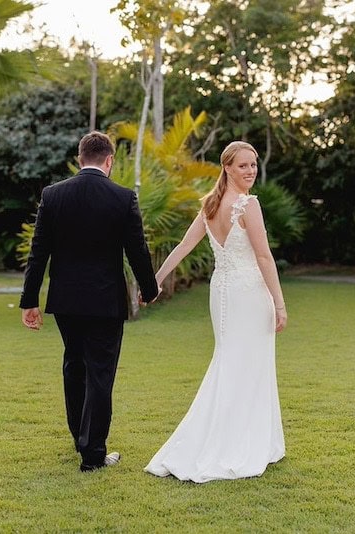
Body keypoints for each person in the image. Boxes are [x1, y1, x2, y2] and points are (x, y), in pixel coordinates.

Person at [144, 140, 287, 483]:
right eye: (243, 166)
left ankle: (236, 438)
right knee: (245, 365)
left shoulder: (210, 204)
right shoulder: (247, 205)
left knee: (231, 362)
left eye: (253, 165)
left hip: (222, 291)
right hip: (249, 293)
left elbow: (183, 246)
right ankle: (238, 445)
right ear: (227, 168)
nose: (250, 171)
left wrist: (156, 280)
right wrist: (280, 303)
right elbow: (264, 257)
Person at [20, 131, 159, 472]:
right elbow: (137, 250)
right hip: (104, 302)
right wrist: (149, 289)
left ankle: (79, 440)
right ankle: (93, 455)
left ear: (80, 158)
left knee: (74, 366)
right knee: (100, 374)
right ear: (109, 161)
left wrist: (29, 300)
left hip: (66, 302)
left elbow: (39, 253)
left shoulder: (53, 195)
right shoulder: (123, 197)